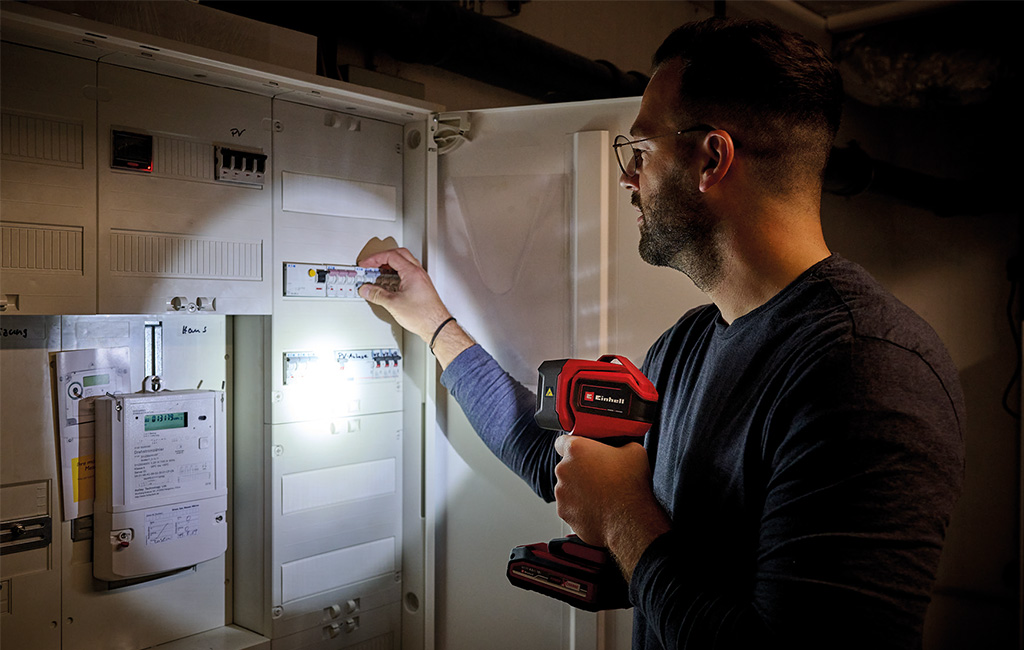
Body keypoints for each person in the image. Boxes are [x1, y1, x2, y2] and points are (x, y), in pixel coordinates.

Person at [358, 17, 964, 650]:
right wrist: (432, 323)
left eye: (641, 151)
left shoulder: (864, 368)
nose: (627, 177)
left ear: (711, 158)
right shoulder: (688, 346)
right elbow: (566, 467)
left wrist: (625, 520)